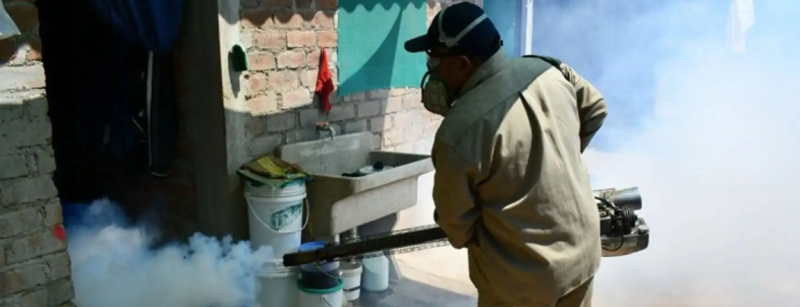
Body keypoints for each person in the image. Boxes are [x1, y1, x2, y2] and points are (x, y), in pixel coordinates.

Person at [403, 2, 608, 307]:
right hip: (584, 257)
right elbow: (595, 108)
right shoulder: (549, 70)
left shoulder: (457, 133)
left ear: (462, 63)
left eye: (435, 59)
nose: (432, 70)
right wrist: (555, 159)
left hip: (522, 283)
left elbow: (456, 226)